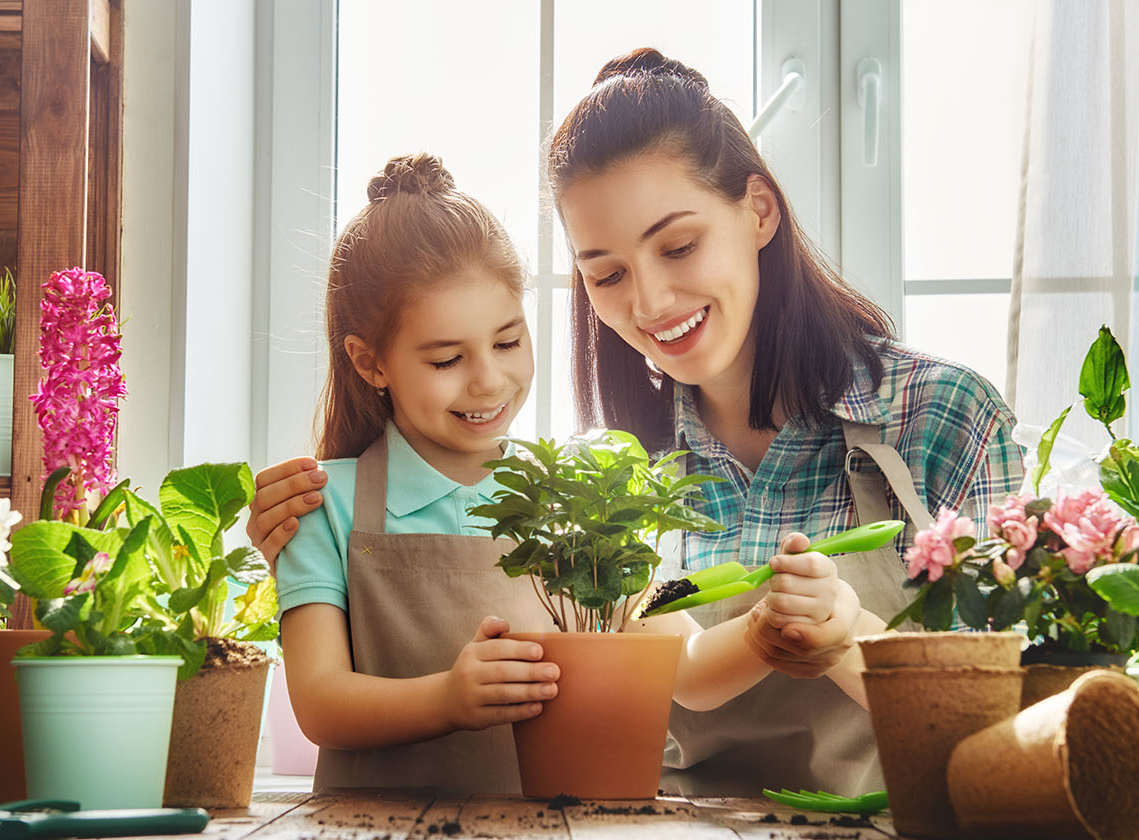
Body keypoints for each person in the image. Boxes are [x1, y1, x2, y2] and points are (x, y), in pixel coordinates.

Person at [258, 50, 1025, 796]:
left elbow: (1007, 729)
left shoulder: (941, 418)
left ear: (759, 210)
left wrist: (847, 637)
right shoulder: (609, 478)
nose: (651, 301)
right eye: (608, 273)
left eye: (679, 245)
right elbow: (680, 675)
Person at [278, 151, 858, 796]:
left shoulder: (576, 501)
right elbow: (321, 704)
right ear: (369, 362)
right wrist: (447, 699)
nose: (489, 381)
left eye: (507, 342)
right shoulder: (321, 508)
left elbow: (686, 673)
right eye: (446, 359)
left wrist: (764, 628)